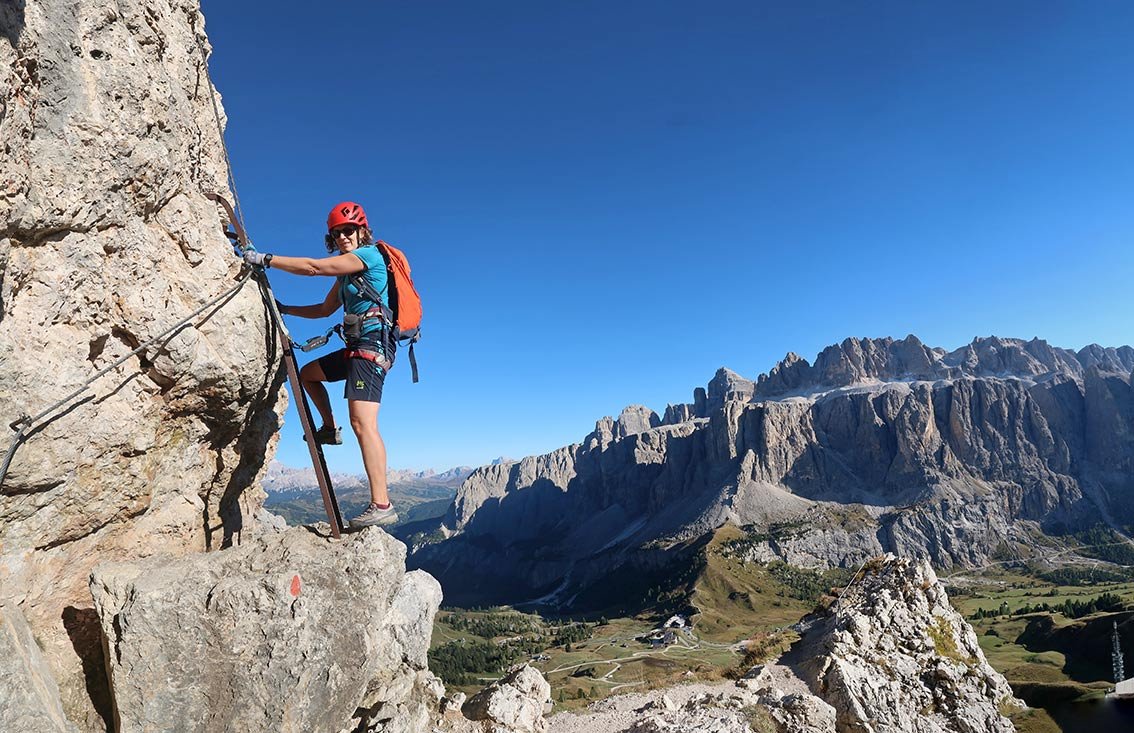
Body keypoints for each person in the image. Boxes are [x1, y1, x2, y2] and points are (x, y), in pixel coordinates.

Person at [243, 201, 397, 528]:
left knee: (363, 422)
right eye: (336, 233)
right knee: (308, 375)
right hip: (356, 348)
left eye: (348, 230)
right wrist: (286, 309)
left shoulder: (368, 256)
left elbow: (314, 267)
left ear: (362, 231)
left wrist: (265, 259)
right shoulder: (346, 278)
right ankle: (328, 428)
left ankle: (382, 504)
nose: (342, 237)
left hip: (372, 346)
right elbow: (324, 310)